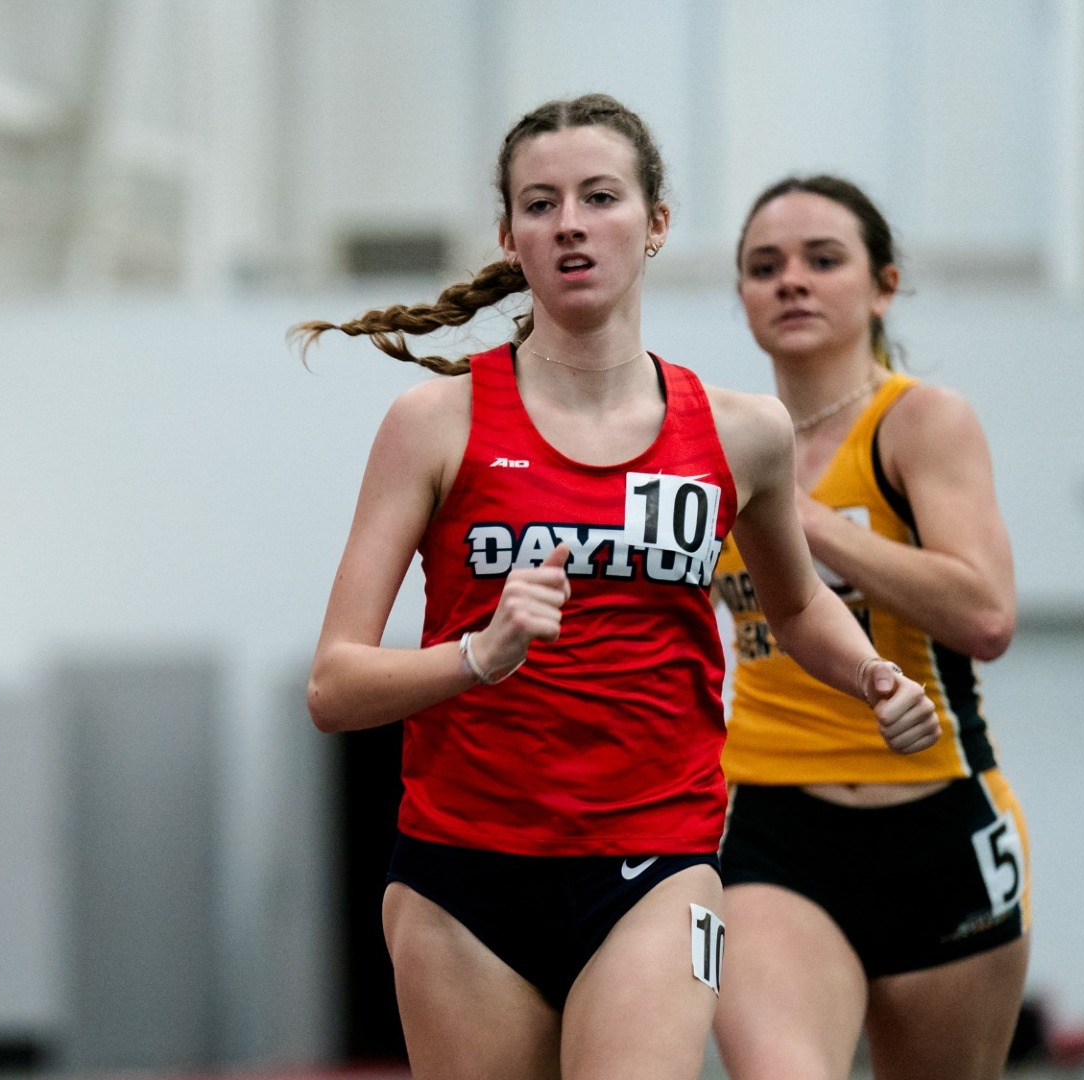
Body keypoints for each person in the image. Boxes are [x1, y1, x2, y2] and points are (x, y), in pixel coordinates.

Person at [294, 96, 939, 1080]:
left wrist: (874, 680)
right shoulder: (433, 425)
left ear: (656, 223)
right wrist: (478, 656)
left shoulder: (741, 432)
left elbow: (800, 605)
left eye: (600, 197)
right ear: (511, 237)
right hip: (464, 879)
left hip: (660, 861)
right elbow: (333, 686)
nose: (572, 224)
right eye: (541, 204)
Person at [709, 175, 1029, 1080]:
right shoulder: (717, 439)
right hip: (770, 827)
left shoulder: (921, 423)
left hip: (939, 820)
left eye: (823, 260)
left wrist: (797, 516)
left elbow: (987, 614)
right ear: (741, 298)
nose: (791, 282)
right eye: (764, 267)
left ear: (883, 285)